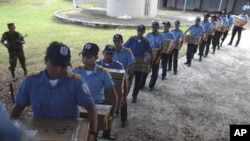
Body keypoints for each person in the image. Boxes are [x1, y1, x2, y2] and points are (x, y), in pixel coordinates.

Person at [10, 41, 98, 141]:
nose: (59, 69)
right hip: (42, 133)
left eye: (63, 66)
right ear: (46, 60)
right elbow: (18, 106)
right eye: (55, 65)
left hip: (69, 133)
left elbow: (91, 108)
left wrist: (93, 133)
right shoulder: (31, 81)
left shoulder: (76, 83)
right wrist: (8, 130)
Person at [72, 43, 118, 140]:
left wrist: (113, 113)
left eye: (89, 56)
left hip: (97, 108)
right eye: (83, 56)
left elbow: (114, 95)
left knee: (92, 134)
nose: (85, 59)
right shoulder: (76, 71)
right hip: (79, 108)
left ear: (96, 57)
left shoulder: (103, 73)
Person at [123, 24, 153, 103]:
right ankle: (125, 94)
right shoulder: (132, 39)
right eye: (138, 31)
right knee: (128, 80)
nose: (140, 32)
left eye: (141, 31)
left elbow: (150, 52)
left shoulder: (146, 42)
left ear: (144, 32)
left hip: (140, 64)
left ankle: (134, 96)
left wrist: (150, 64)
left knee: (138, 82)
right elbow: (124, 47)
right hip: (131, 64)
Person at [112, 34, 135, 126]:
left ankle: (124, 119)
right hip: (113, 78)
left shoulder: (127, 52)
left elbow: (131, 67)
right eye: (115, 41)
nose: (116, 43)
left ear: (122, 42)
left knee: (123, 98)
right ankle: (115, 112)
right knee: (112, 97)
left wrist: (130, 80)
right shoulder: (111, 51)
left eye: (118, 41)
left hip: (124, 79)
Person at [145, 21, 164, 90]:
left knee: (155, 72)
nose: (154, 28)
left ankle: (151, 85)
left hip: (156, 54)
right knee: (145, 70)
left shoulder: (161, 36)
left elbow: (161, 48)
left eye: (155, 27)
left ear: (158, 27)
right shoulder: (148, 35)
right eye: (153, 26)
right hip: (148, 55)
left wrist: (158, 57)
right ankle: (141, 84)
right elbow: (144, 43)